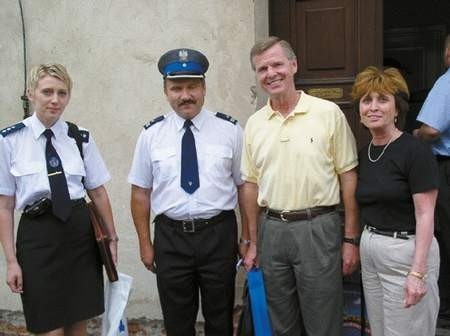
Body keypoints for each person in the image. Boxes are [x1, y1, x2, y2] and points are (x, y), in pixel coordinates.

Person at [242, 36, 360, 335]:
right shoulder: (255, 123)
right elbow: (251, 186)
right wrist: (253, 241)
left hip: (317, 228)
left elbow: (348, 177)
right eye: (262, 68)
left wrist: (350, 239)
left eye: (277, 64)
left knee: (323, 322)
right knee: (280, 322)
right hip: (272, 231)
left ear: (293, 66)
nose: (271, 73)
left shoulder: (327, 113)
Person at [128, 48, 245, 336]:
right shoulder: (151, 134)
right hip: (170, 239)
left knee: (220, 319)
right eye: (176, 88)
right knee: (177, 322)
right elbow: (140, 192)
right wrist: (145, 242)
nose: (185, 95)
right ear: (166, 91)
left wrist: (248, 236)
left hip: (218, 234)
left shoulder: (229, 130)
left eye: (192, 86)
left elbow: (244, 187)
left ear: (204, 88)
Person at [0, 63, 118, 335]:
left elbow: (98, 192)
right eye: (47, 92)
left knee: (79, 324)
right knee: (49, 327)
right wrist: (11, 261)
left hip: (80, 237)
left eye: (62, 93)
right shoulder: (10, 140)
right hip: (38, 237)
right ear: (31, 93)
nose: (55, 100)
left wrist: (112, 239)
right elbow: (5, 206)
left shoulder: (80, 137)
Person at [352, 66, 440, 335]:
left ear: (397, 108)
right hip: (372, 250)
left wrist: (417, 272)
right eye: (367, 100)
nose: (373, 107)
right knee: (379, 331)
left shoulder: (415, 152)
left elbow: (426, 214)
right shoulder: (365, 153)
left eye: (382, 99)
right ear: (359, 110)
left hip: (406, 252)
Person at [413, 34, 450, 322]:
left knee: (444, 236)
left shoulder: (447, 81)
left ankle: (445, 305)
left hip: (446, 167)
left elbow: (432, 129)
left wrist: (415, 136)